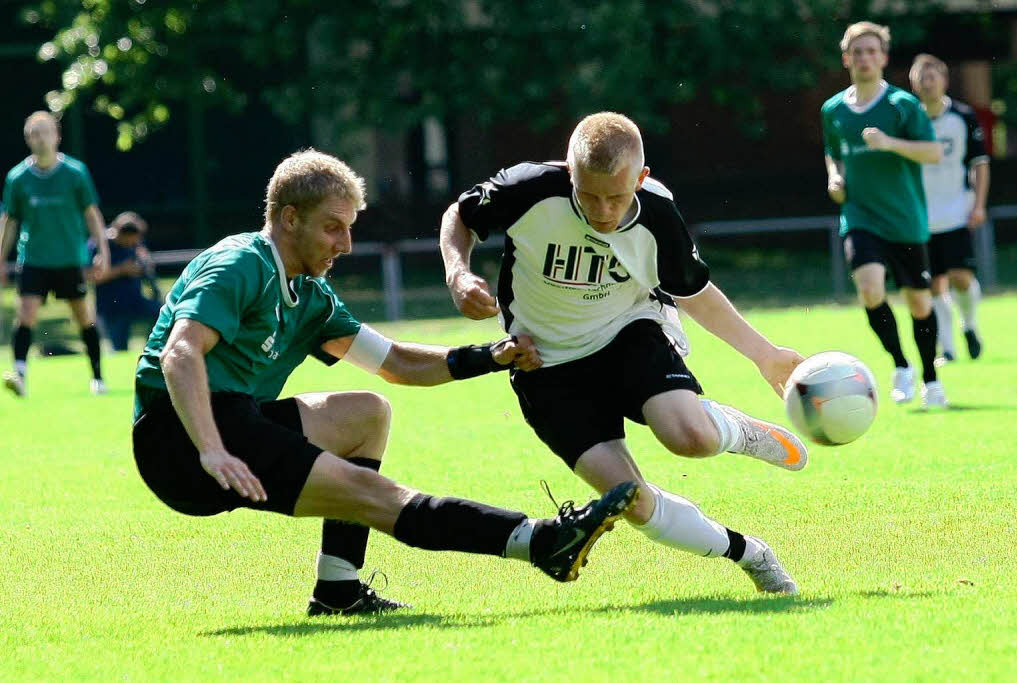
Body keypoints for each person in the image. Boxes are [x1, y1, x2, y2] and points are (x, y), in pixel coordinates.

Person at [131, 148, 638, 616]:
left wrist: (490, 356)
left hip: (234, 422)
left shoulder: (311, 295)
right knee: (374, 495)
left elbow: (397, 363)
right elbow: (180, 354)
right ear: (290, 218)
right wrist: (212, 450)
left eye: (349, 228)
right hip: (178, 439)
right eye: (333, 228)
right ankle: (542, 541)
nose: (345, 245)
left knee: (366, 414)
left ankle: (338, 589)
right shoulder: (242, 264)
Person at [440, 112, 807, 596]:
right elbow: (459, 218)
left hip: (627, 334)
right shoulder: (528, 188)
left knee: (689, 437)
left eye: (616, 196)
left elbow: (695, 292)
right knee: (630, 501)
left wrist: (764, 355)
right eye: (588, 195)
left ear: (642, 178)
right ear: (570, 173)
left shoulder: (657, 212)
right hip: (543, 366)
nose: (602, 210)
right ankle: (752, 555)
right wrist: (458, 273)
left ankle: (736, 431)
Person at [821, 22, 947, 408]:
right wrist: (834, 177)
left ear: (884, 58)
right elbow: (834, 152)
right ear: (847, 59)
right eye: (857, 52)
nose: (864, 58)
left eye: (872, 51)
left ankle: (930, 376)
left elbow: (933, 152)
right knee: (870, 289)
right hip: (860, 216)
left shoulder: (902, 106)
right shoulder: (833, 109)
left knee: (920, 305)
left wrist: (889, 143)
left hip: (905, 220)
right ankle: (901, 365)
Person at [0, 111, 110, 397]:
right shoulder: (17, 177)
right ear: (27, 139)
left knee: (83, 316)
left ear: (57, 136)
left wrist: (103, 251)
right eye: (34, 133)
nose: (41, 138)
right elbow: (10, 222)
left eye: (45, 132)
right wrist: (0, 259)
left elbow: (92, 214)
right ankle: (21, 374)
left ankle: (98, 378)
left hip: (70, 258)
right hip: (33, 258)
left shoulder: (75, 173)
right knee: (25, 313)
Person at [909, 53, 990, 362]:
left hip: (956, 211)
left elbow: (980, 164)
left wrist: (978, 204)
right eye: (921, 78)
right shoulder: (909, 119)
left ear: (944, 80)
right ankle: (948, 348)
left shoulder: (963, 117)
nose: (927, 83)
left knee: (961, 278)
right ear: (914, 84)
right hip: (919, 217)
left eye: (933, 76)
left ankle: (968, 325)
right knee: (932, 285)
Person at [90, 211, 163, 351]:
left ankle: (151, 348)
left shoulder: (135, 244)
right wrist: (121, 270)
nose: (134, 243)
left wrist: (145, 265)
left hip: (135, 301)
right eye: (131, 239)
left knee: (163, 313)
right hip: (112, 307)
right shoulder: (100, 244)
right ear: (120, 233)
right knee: (120, 350)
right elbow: (91, 276)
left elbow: (145, 265)